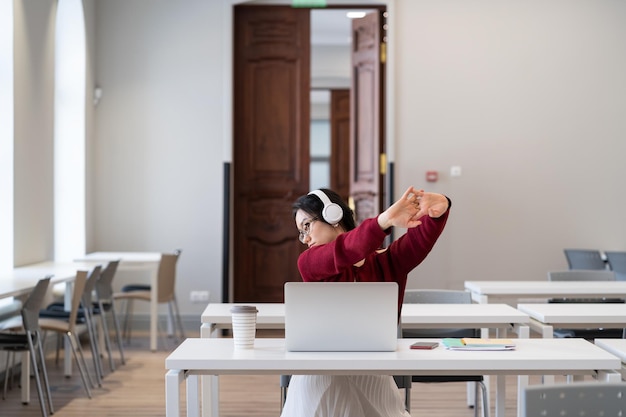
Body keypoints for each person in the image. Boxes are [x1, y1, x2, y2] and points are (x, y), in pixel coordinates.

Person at [281, 186, 451, 417]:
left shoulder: (389, 261)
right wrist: (384, 221)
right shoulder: (310, 262)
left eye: (307, 226)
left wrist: (439, 209)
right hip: (320, 372)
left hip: (374, 371)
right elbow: (345, 250)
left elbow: (420, 240)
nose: (306, 238)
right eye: (301, 232)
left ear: (333, 216)